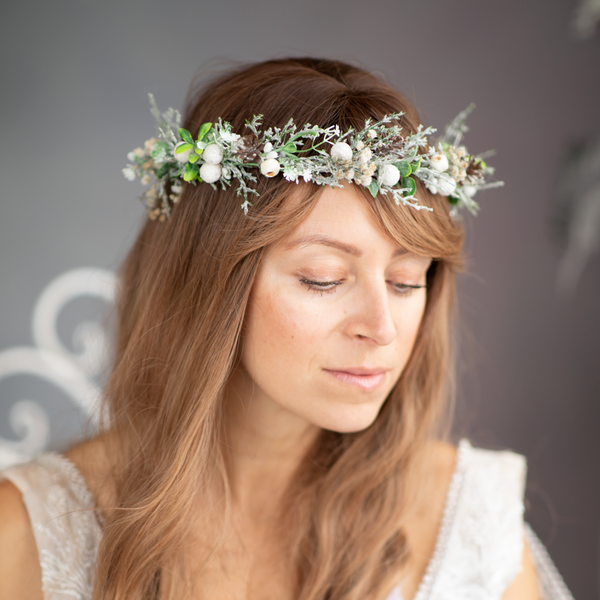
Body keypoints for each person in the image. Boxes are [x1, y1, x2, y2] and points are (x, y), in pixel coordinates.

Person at [0, 58, 572, 600]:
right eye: (323, 279)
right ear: (210, 282)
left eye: (404, 281)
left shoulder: (468, 524)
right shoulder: (32, 533)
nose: (382, 329)